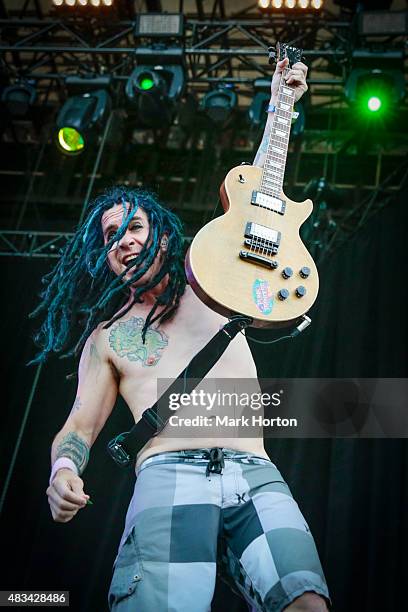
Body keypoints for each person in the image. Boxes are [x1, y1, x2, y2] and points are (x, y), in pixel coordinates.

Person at [35, 58, 331, 611]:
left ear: (165, 237)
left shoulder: (220, 282)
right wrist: (64, 468)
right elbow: (79, 424)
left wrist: (281, 105)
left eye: (134, 227)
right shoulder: (107, 337)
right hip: (168, 476)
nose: (122, 241)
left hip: (255, 473)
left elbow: (262, 204)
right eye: (109, 237)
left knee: (306, 603)